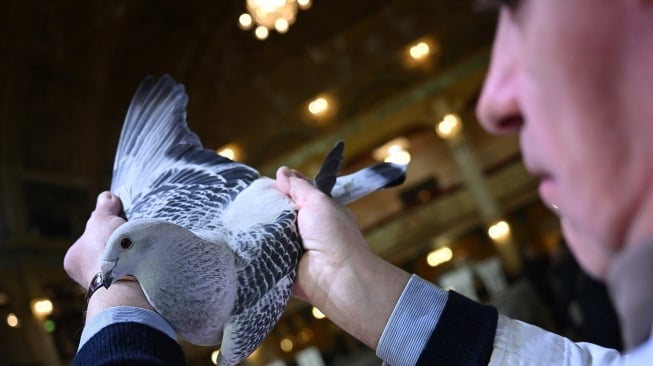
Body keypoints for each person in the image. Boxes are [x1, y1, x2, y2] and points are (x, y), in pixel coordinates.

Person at [64, 0, 653, 364]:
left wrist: (109, 301)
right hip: (247, 214)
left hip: (249, 219)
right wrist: (351, 279)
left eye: (516, 5)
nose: (494, 101)